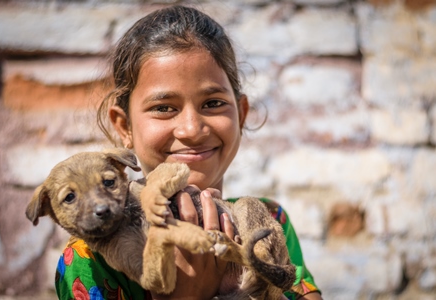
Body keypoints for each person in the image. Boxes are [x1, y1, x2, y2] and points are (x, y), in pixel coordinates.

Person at [55, 5, 322, 300]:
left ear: (241, 114)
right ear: (124, 126)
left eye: (213, 103)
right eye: (163, 108)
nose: (192, 129)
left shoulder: (271, 222)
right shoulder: (90, 260)